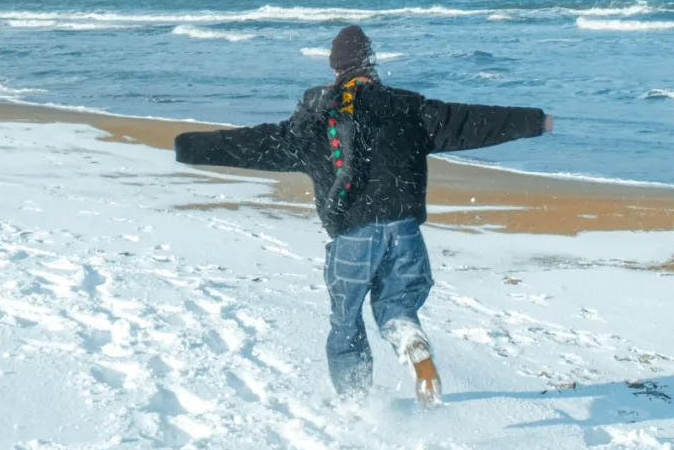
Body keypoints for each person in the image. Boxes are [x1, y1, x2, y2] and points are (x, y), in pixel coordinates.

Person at [174, 24, 552, 406]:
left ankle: (355, 405)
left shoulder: (311, 124)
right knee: (397, 307)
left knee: (346, 320)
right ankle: (410, 340)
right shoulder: (409, 109)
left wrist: (190, 146)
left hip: (352, 239)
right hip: (405, 231)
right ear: (371, 65)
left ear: (335, 69)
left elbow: (256, 144)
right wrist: (535, 121)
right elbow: (468, 122)